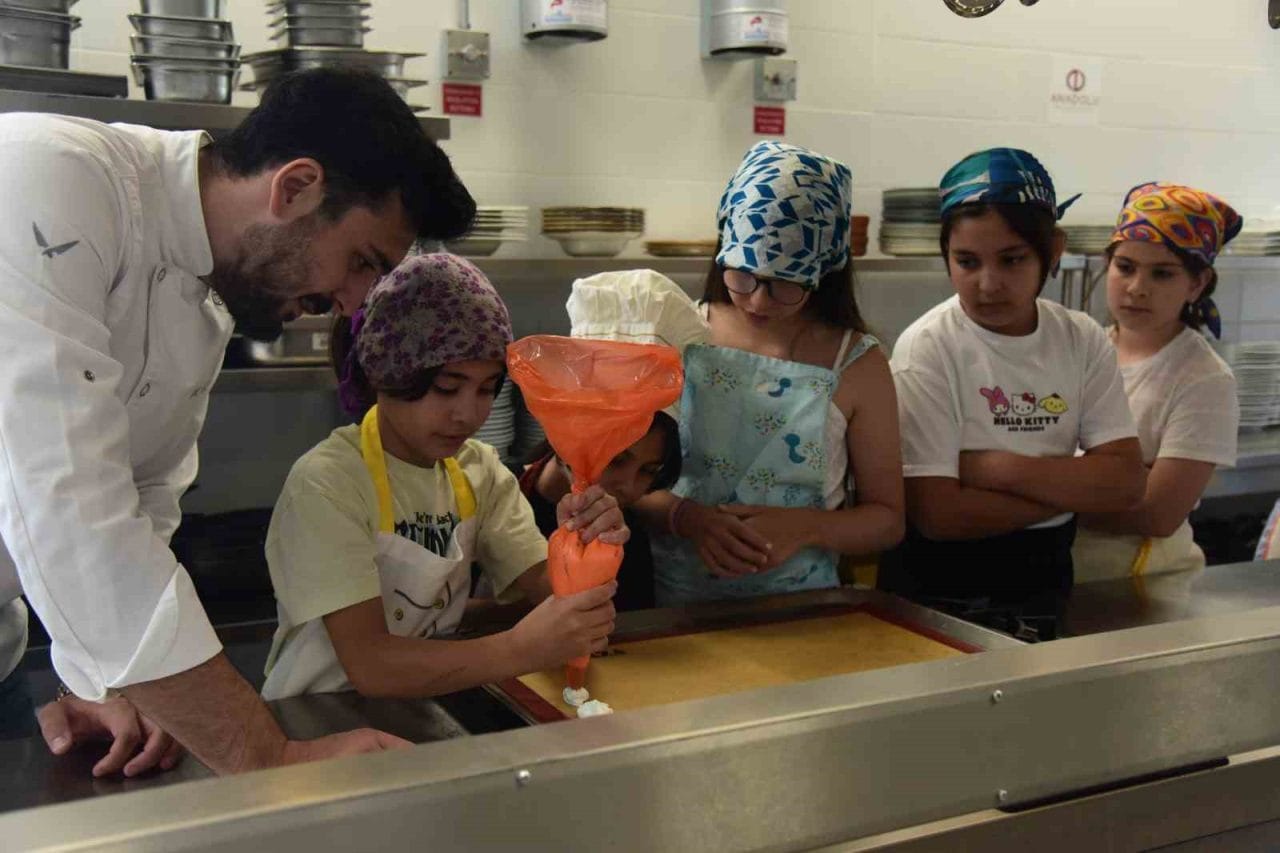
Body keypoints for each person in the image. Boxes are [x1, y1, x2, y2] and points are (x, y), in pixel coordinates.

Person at [0, 67, 475, 775]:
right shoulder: (45, 178)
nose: (353, 304)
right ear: (295, 188)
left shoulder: (214, 290)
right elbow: (66, 505)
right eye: (360, 262)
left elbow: (144, 498)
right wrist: (264, 752)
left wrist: (104, 678)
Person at [261, 253, 624, 700]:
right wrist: (519, 649)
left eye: (488, 388)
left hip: (423, 704)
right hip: (318, 718)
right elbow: (372, 666)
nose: (468, 414)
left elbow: (549, 589)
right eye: (447, 388)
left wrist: (585, 548)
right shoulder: (327, 482)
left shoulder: (480, 472)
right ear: (390, 374)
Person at [879, 148, 1145, 638]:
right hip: (939, 589)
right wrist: (1071, 493)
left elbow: (1127, 484)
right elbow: (938, 513)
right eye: (966, 261)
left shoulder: (1080, 338)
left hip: (1045, 581)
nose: (988, 284)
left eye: (1012, 259)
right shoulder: (929, 347)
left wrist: (995, 468)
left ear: (1054, 247)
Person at [636, 141, 905, 605]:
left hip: (802, 610)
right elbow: (621, 485)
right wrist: (687, 518)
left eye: (785, 285)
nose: (758, 301)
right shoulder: (677, 332)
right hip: (671, 611)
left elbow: (887, 520)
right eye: (742, 275)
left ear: (825, 271)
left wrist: (807, 528)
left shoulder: (856, 363)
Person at [1072, 183, 1241, 580]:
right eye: (1125, 267)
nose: (1137, 288)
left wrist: (1035, 490)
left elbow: (1156, 512)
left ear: (1197, 284)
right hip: (1068, 572)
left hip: (1142, 585)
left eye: (1162, 273)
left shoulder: (1203, 378)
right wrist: (1117, 479)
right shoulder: (1082, 350)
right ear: (1106, 264)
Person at [518, 269, 699, 611]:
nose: (629, 488)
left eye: (648, 471)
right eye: (617, 460)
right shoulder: (500, 496)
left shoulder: (623, 534)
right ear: (568, 427)